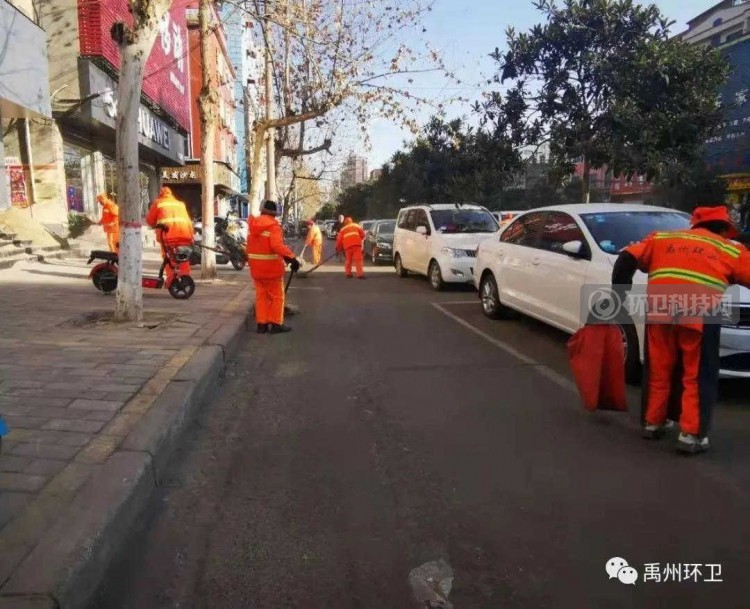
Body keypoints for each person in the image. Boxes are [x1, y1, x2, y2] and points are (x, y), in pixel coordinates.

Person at [612, 205, 750, 454]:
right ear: (722, 228)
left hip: (660, 309)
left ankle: (653, 423)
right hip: (699, 314)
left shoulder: (662, 238)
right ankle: (692, 434)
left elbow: (626, 258)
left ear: (695, 225)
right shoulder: (730, 249)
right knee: (697, 374)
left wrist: (619, 294)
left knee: (658, 368)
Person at [247, 200, 300, 334]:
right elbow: (276, 246)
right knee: (277, 296)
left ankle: (262, 325)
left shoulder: (253, 226)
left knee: (261, 296)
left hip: (256, 269)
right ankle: (276, 324)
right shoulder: (273, 226)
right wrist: (292, 258)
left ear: (262, 211)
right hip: (271, 269)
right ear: (274, 214)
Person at [145, 187, 194, 288]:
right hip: (184, 236)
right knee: (183, 259)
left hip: (168, 237)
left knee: (169, 260)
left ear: (161, 194)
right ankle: (185, 281)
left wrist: (156, 224)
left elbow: (150, 220)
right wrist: (191, 236)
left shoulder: (158, 203)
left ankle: (172, 282)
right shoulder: (180, 204)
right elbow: (188, 221)